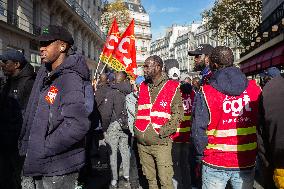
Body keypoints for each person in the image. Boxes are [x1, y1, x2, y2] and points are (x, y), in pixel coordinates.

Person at [18, 25, 94, 189]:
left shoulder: (70, 78)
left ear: (62, 46)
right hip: (42, 162)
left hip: (57, 167)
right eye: (40, 44)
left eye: (47, 43)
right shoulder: (46, 74)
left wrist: (44, 147)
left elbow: (77, 124)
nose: (41, 49)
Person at [192, 46, 262, 189]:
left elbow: (198, 130)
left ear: (214, 65)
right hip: (245, 159)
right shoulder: (255, 89)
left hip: (215, 161)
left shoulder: (206, 91)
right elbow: (262, 124)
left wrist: (200, 157)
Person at [134, 55, 184, 189]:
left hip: (161, 144)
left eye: (146, 66)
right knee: (150, 181)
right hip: (142, 144)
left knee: (165, 181)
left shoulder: (172, 86)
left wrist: (163, 132)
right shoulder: (143, 86)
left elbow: (178, 114)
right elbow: (138, 109)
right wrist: (136, 129)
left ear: (157, 67)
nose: (143, 69)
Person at [0, 49, 35, 189]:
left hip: (19, 146)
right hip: (4, 143)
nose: (2, 65)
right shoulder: (8, 82)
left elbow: (29, 116)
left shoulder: (29, 83)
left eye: (5, 62)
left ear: (16, 64)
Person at [100, 71, 132, 189]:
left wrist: (104, 128)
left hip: (113, 125)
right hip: (126, 125)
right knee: (125, 151)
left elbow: (106, 113)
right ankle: (127, 176)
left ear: (116, 79)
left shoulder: (112, 92)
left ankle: (114, 179)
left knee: (112, 153)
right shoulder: (130, 91)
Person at [167, 63, 194, 189]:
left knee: (175, 164)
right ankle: (187, 185)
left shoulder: (172, 93)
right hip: (188, 135)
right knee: (185, 163)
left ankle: (178, 186)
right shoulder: (193, 93)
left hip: (175, 135)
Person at [258, 71, 284, 188]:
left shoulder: (269, 89)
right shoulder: (270, 90)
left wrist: (268, 168)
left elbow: (261, 137)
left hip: (278, 167)